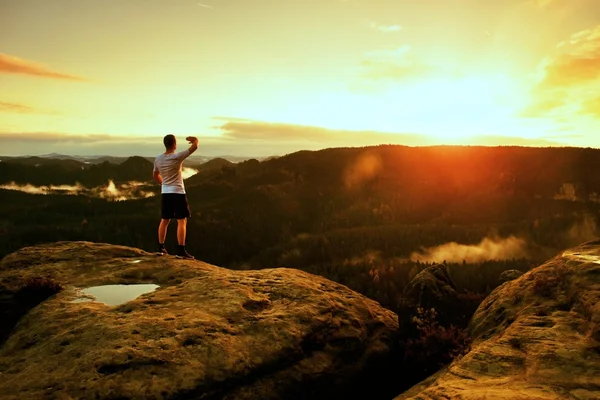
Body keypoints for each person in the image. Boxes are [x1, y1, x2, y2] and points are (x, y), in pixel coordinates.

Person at [153, 134, 198, 259]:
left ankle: (160, 247)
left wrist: (164, 183)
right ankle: (181, 250)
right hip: (178, 192)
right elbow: (194, 148)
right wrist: (195, 140)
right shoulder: (177, 157)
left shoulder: (158, 159)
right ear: (174, 144)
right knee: (182, 221)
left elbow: (155, 175)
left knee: (164, 220)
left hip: (165, 192)